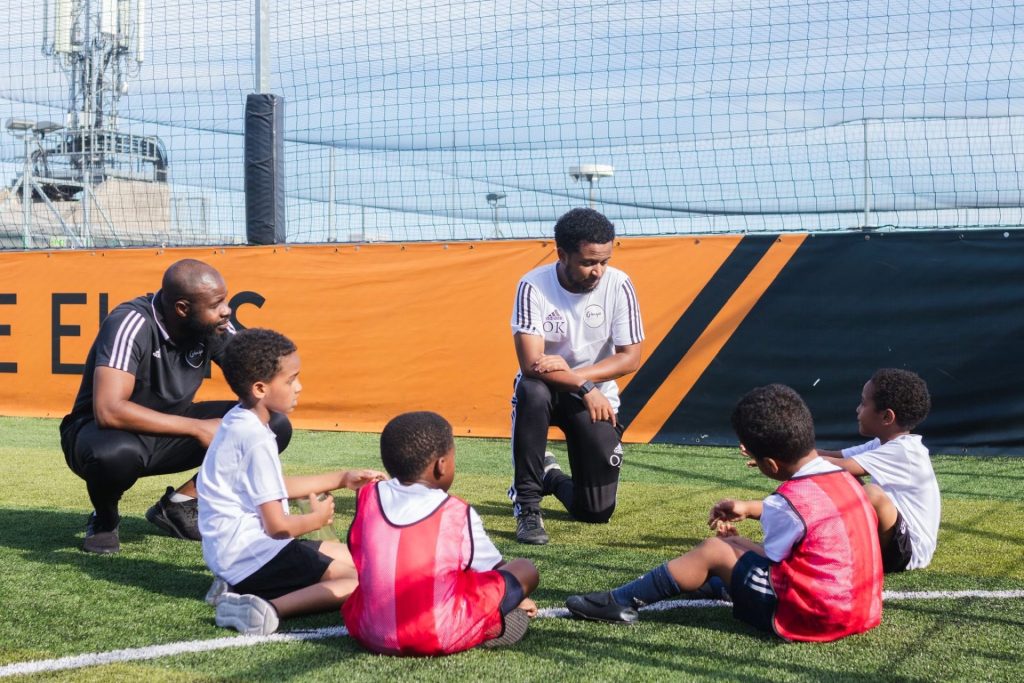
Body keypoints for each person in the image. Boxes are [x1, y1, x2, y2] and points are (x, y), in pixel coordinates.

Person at [566, 384, 884, 643]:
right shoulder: (846, 479)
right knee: (735, 547)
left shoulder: (788, 500)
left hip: (814, 618)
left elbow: (777, 563)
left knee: (714, 550)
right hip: (860, 609)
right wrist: (742, 544)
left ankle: (621, 601)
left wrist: (731, 551)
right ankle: (712, 579)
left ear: (771, 465)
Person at [59, 259, 292, 554]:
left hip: (171, 428)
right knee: (115, 455)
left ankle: (180, 504)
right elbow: (109, 410)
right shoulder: (131, 322)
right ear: (182, 308)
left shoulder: (214, 325)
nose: (226, 310)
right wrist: (197, 427)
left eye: (226, 300)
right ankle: (105, 520)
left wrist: (271, 387)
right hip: (103, 433)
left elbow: (252, 374)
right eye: (217, 303)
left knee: (271, 422)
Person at [198, 328, 386, 636]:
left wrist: (342, 478)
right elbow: (277, 526)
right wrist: (317, 519)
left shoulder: (239, 419)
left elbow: (272, 488)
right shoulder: (255, 437)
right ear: (260, 388)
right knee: (362, 582)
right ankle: (263, 608)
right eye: (290, 379)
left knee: (364, 558)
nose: (298, 387)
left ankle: (234, 584)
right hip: (255, 557)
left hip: (239, 553)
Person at [343, 411, 540, 656]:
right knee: (525, 570)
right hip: (437, 635)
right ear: (441, 465)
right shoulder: (456, 512)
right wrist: (516, 598)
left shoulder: (366, 496)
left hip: (368, 631)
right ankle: (493, 626)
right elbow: (495, 568)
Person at [508, 207, 644, 545]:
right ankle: (527, 506)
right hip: (548, 391)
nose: (598, 270)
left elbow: (630, 358)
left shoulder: (620, 284)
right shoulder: (532, 286)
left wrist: (582, 380)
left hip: (594, 397)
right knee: (531, 391)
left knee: (596, 512)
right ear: (562, 254)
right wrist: (582, 384)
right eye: (588, 262)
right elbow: (532, 365)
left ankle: (549, 476)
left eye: (604, 261)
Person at [818, 368, 939, 572]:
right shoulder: (881, 444)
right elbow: (832, 455)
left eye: (864, 403)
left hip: (908, 552)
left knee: (870, 493)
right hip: (896, 542)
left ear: (886, 417)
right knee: (849, 481)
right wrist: (780, 449)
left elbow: (834, 465)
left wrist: (786, 459)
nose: (857, 409)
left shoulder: (904, 451)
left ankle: (849, 550)